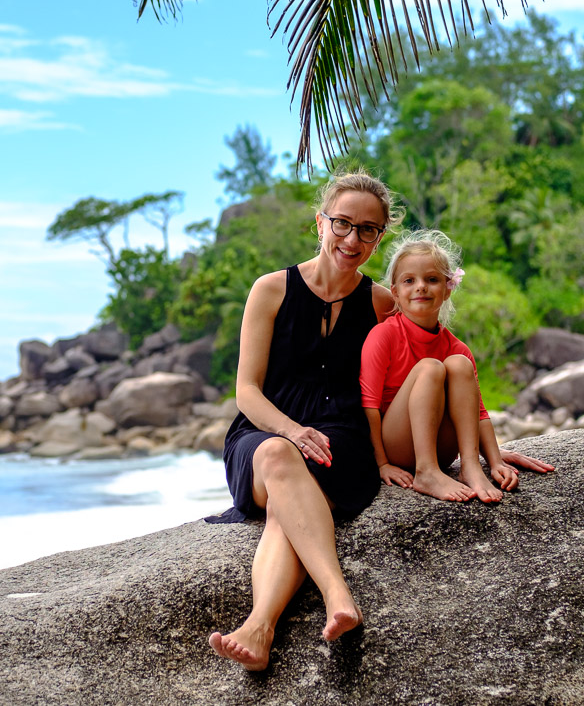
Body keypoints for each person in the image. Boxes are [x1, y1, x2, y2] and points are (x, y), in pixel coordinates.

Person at [207, 172, 553, 673]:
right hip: (267, 434)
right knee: (282, 459)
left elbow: (447, 370)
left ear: (380, 237)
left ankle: (260, 628)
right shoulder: (271, 290)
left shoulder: (383, 302)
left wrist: (479, 446)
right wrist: (291, 430)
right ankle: (337, 593)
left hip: (344, 441)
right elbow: (247, 391)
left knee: (294, 508)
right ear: (320, 222)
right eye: (343, 224)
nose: (352, 239)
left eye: (367, 230)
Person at [360, 229, 519, 503]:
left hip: (443, 450)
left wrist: (494, 462)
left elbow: (478, 413)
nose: (421, 286)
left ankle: (469, 467)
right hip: (397, 444)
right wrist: (381, 463)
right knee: (431, 367)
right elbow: (369, 406)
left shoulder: (458, 348)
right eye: (410, 280)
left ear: (447, 289)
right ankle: (426, 472)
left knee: (457, 364)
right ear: (395, 293)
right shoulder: (384, 335)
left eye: (432, 280)